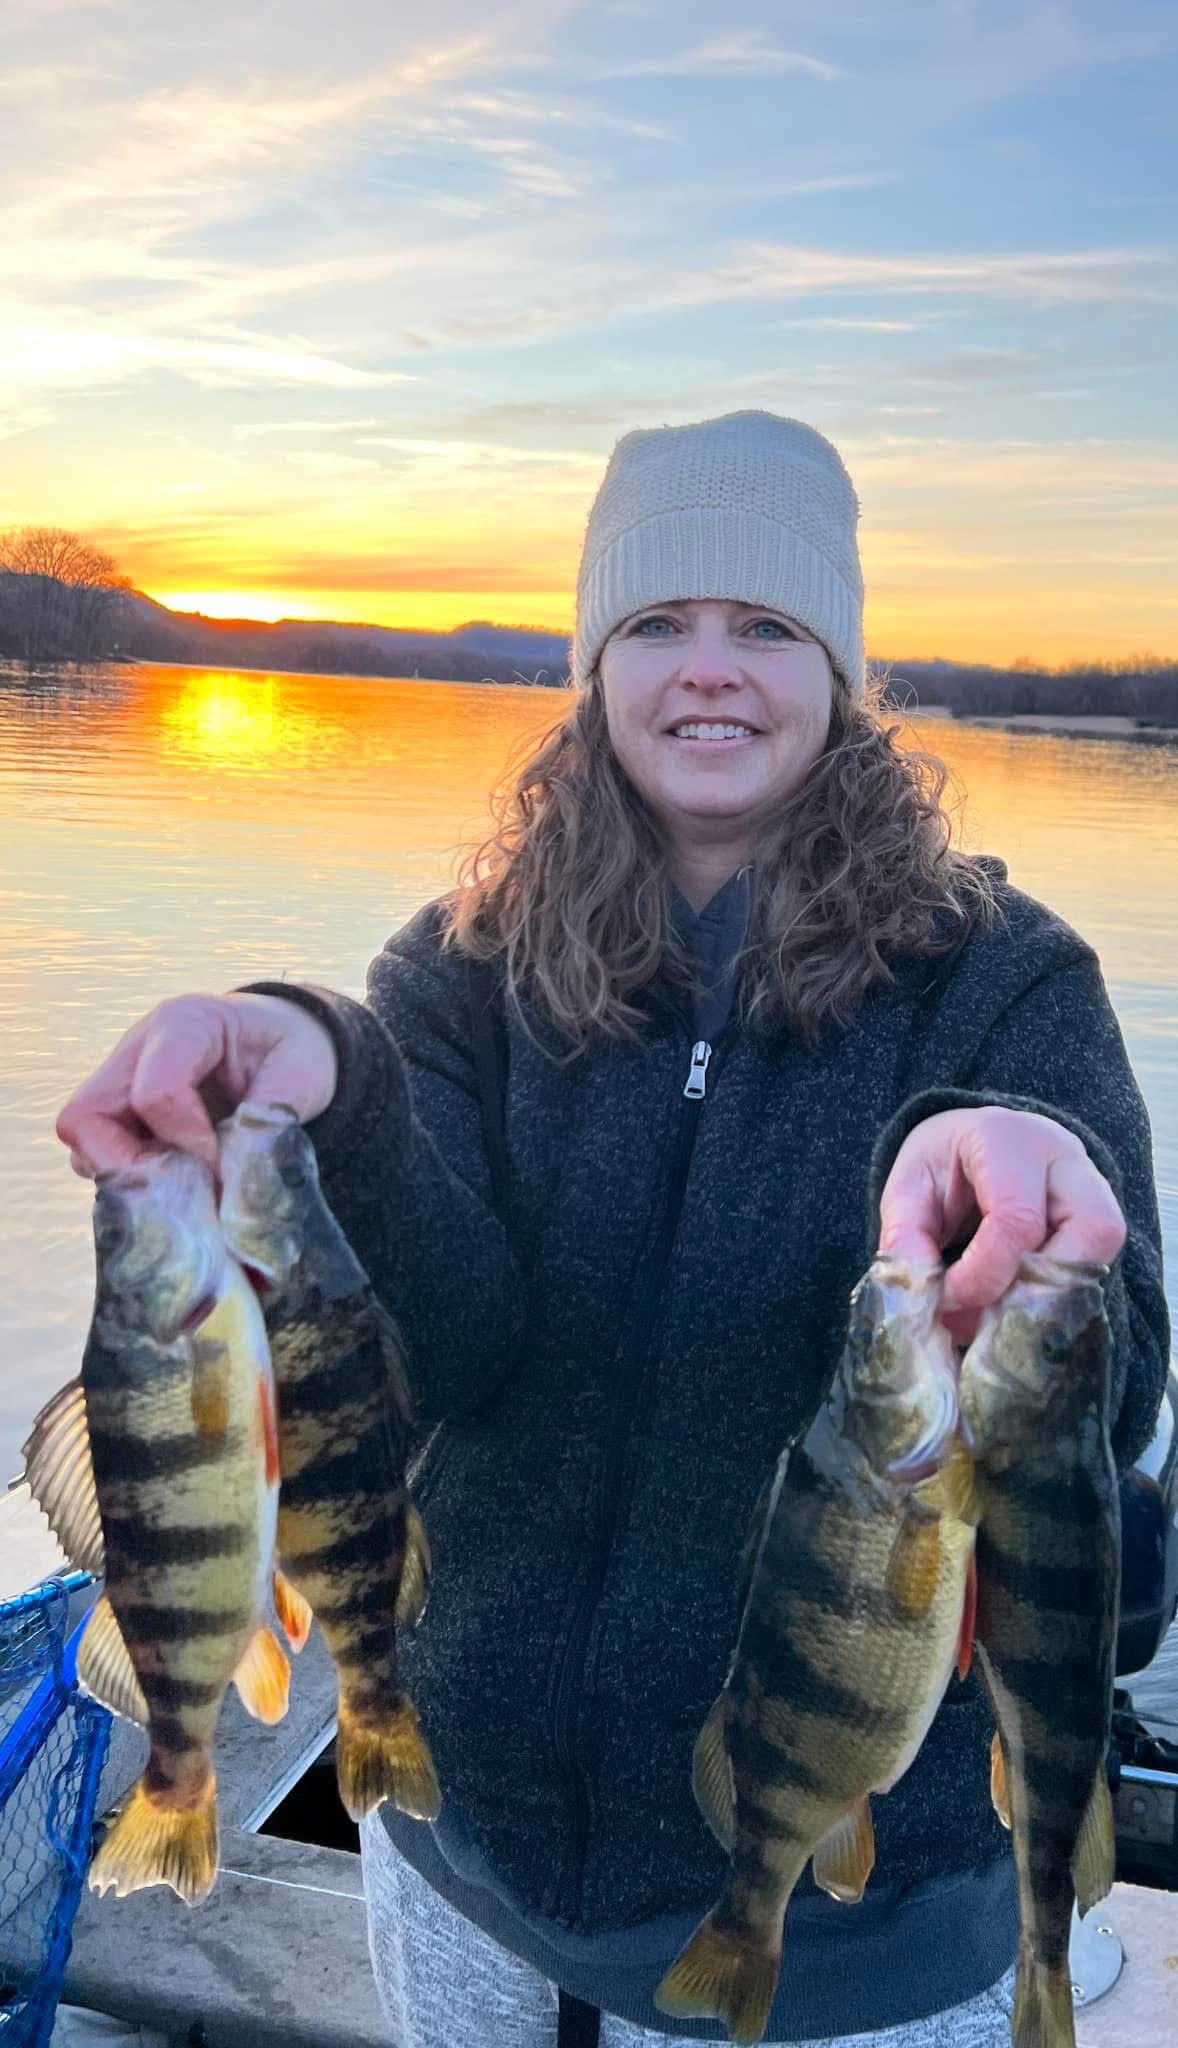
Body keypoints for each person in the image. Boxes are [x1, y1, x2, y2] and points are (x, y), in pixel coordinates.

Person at [58, 412, 1170, 2048]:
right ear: (593, 666)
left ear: (838, 669)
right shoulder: (456, 967)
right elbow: (438, 1353)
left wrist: (1029, 1196)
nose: (706, 668)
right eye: (656, 622)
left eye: (764, 625)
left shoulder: (1005, 981)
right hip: (466, 1859)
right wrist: (335, 1089)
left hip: (852, 1920)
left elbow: (1109, 1406)